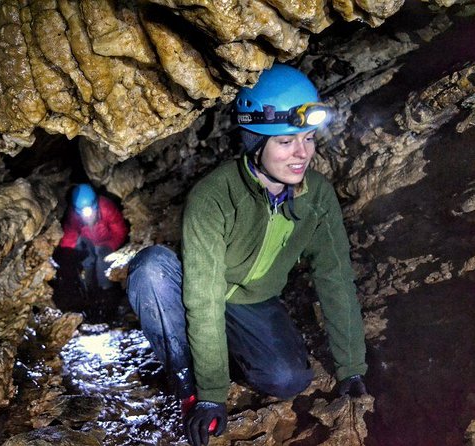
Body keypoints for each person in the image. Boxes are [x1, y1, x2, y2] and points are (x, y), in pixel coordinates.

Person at [126, 64, 368, 446]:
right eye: (286, 142)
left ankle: (227, 356)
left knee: (289, 380)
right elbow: (204, 298)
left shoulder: (317, 196)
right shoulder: (214, 195)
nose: (301, 153)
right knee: (151, 268)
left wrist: (351, 369)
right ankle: (187, 377)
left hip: (254, 302)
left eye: (308, 138)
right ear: (256, 142)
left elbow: (335, 278)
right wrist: (209, 395)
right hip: (200, 288)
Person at [58, 183, 128, 294]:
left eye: (90, 212)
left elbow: (120, 231)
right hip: (88, 241)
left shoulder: (106, 207)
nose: (88, 216)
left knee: (103, 259)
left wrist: (109, 246)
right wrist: (67, 257)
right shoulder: (74, 215)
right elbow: (70, 236)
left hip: (106, 241)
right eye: (83, 214)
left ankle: (105, 291)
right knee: (86, 258)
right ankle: (88, 288)